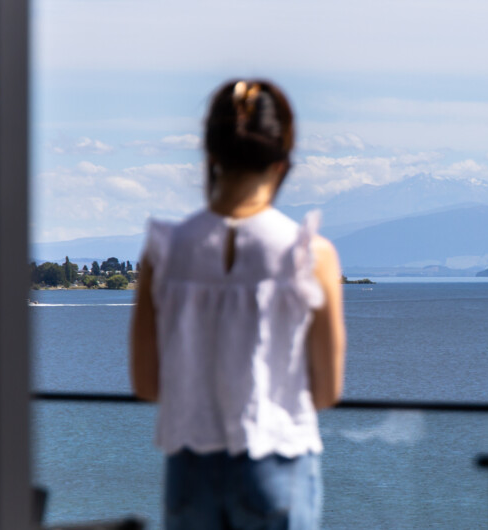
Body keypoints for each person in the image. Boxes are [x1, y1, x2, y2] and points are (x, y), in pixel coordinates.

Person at [130, 79, 346, 529]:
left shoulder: (165, 252)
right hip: (277, 461)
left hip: (189, 469)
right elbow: (326, 391)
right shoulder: (307, 254)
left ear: (211, 154)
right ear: (283, 157)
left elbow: (147, 385)